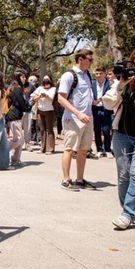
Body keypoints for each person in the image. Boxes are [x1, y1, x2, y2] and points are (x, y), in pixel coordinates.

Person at [102, 47, 135, 229]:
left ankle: (128, 213)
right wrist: (122, 82)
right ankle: (128, 211)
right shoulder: (126, 82)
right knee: (123, 176)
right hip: (122, 134)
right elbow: (107, 103)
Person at [57, 48, 97, 191]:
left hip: (88, 118)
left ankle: (79, 180)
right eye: (89, 60)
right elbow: (61, 98)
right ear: (80, 59)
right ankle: (66, 180)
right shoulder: (69, 75)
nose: (91, 62)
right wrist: (78, 113)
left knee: (83, 150)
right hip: (73, 119)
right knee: (69, 149)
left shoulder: (87, 75)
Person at [6, 69, 28, 166]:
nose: (25, 78)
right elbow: (22, 103)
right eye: (23, 77)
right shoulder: (17, 88)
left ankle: (15, 159)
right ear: (18, 77)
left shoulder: (14, 87)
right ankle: (4, 150)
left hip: (15, 116)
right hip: (14, 116)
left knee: (19, 139)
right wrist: (29, 105)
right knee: (19, 139)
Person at [30, 75, 56, 154]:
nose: (46, 81)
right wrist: (40, 96)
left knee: (49, 129)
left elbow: (53, 98)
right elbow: (33, 98)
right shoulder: (40, 88)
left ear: (50, 80)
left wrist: (47, 96)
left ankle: (50, 149)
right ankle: (42, 148)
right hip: (40, 111)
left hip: (50, 111)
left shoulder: (53, 89)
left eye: (47, 79)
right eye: (44, 79)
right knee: (42, 129)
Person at [92, 67, 113, 158]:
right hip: (95, 109)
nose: (98, 75)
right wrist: (92, 101)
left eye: (100, 73)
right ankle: (99, 149)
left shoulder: (109, 84)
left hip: (106, 109)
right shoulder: (92, 84)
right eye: (97, 73)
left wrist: (101, 99)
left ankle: (107, 150)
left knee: (106, 130)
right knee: (97, 130)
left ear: (105, 74)